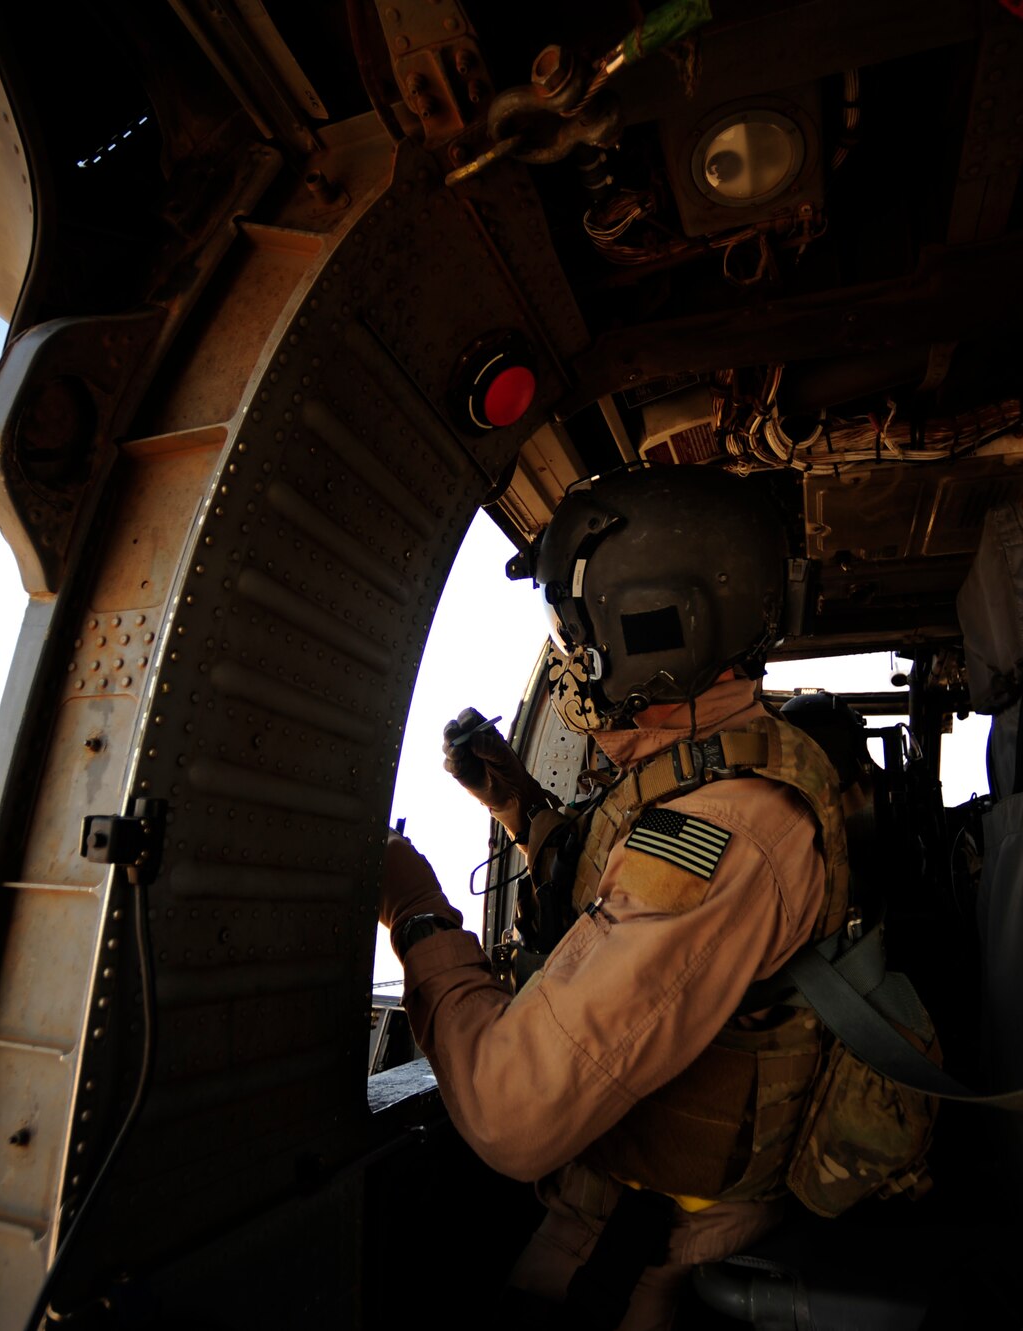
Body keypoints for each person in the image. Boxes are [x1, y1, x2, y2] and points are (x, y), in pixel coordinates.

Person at [376, 467, 935, 1330]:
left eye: (575, 628)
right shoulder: (718, 764)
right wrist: (518, 802)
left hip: (645, 1253)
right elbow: (620, 880)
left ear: (653, 630)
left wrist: (416, 915)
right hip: (626, 1215)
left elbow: (507, 1110)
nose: (569, 653)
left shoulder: (730, 827)